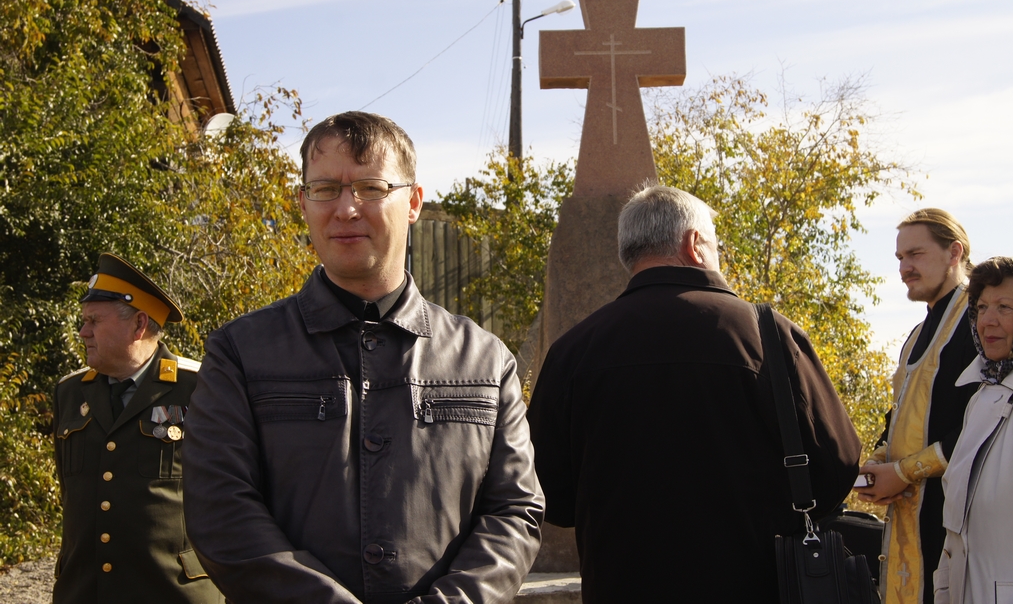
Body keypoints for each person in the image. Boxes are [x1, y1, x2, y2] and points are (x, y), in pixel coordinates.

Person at [182, 112, 544, 603]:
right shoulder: (239, 354)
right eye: (325, 189)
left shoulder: (485, 361)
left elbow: (513, 511)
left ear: (413, 202)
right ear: (303, 203)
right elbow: (220, 509)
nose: (346, 209)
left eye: (371, 188)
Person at [527, 184, 861, 603]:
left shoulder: (573, 350)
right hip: (757, 584)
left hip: (621, 586)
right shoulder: (771, 335)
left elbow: (547, 494)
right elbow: (838, 465)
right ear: (694, 243)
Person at [52, 253, 222, 604]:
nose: (83, 332)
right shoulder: (69, 392)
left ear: (139, 324)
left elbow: (234, 496)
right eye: (84, 321)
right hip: (83, 592)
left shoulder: (203, 387)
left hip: (173, 591)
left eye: (94, 321)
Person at [858, 209, 978, 604]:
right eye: (899, 259)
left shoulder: (980, 321)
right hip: (910, 522)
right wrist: (879, 464)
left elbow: (983, 424)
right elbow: (900, 415)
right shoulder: (915, 335)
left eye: (915, 254)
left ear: (953, 252)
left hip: (960, 524)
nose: (905, 268)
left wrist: (904, 472)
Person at [934, 256, 1013, 604]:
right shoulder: (980, 397)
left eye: (1004, 307)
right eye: (982, 306)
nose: (987, 320)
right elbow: (955, 533)